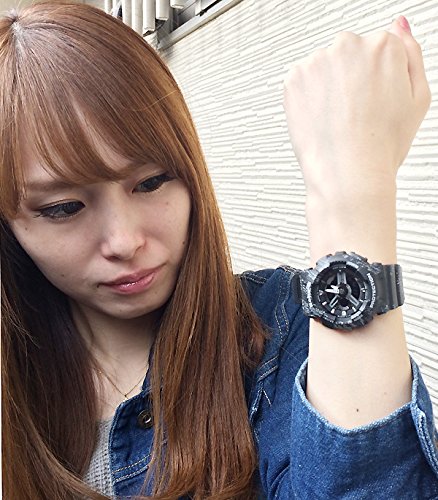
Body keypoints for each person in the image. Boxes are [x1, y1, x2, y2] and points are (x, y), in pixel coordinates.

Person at [1, 2, 437, 498]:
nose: (125, 241)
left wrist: (353, 191)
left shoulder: (284, 330)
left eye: (151, 182)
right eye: (63, 208)